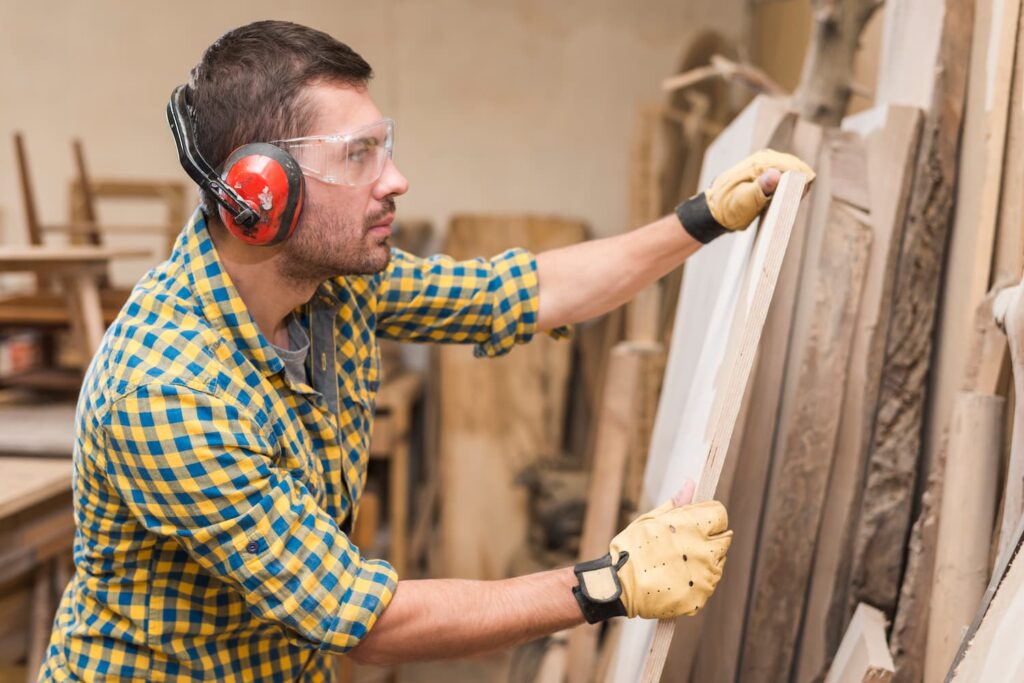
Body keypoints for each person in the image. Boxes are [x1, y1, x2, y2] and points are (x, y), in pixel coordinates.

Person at [39, 20, 814, 682]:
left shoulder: (331, 286)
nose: (396, 180)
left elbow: (521, 291)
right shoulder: (167, 387)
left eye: (387, 147)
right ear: (260, 193)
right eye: (359, 155)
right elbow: (365, 620)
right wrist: (609, 583)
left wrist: (703, 219)